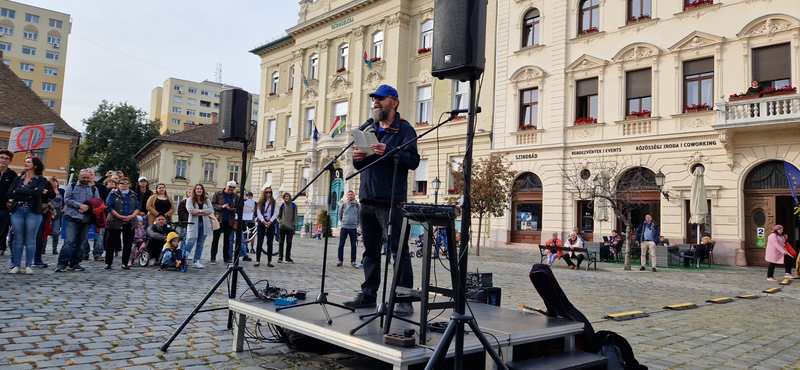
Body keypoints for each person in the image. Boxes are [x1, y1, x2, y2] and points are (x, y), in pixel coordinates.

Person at [343, 84, 420, 317]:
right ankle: (368, 295)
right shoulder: (371, 128)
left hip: (391, 200)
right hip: (367, 197)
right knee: (370, 251)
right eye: (374, 99)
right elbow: (365, 163)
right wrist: (358, 160)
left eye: (380, 99)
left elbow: (413, 161)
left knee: (399, 251)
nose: (376, 102)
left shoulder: (404, 129)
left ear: (393, 103)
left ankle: (404, 298)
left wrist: (389, 150)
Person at [7, 157, 49, 275]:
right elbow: (9, 193)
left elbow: (37, 193)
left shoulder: (41, 180)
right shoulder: (17, 179)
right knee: (17, 239)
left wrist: (18, 192)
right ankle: (16, 265)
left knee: (31, 240)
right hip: (17, 210)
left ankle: (28, 265)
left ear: (35, 166)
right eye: (25, 161)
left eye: (28, 162)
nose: (25, 163)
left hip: (33, 211)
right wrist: (27, 195)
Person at [55, 169, 102, 272]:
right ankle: (62, 263)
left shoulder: (94, 189)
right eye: (83, 177)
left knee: (81, 242)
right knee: (69, 241)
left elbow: (97, 202)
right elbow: (67, 199)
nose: (86, 179)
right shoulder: (71, 186)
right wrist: (79, 205)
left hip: (86, 219)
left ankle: (75, 263)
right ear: (79, 177)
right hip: (72, 217)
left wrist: (87, 207)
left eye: (87, 178)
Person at [105, 177, 140, 269]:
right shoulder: (113, 193)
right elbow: (109, 206)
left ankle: (125, 262)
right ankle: (108, 262)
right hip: (115, 220)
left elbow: (137, 207)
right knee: (112, 242)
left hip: (130, 221)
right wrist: (119, 216)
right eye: (122, 183)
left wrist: (132, 216)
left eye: (127, 183)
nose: (125, 185)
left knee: (128, 243)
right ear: (118, 185)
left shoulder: (133, 194)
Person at [210, 180, 239, 264]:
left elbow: (239, 208)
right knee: (215, 239)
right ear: (226, 186)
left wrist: (232, 209)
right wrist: (221, 206)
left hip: (229, 220)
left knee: (227, 240)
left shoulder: (235, 197)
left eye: (232, 189)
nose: (230, 190)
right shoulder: (218, 194)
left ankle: (226, 257)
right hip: (219, 219)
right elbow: (213, 205)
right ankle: (213, 257)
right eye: (229, 188)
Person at [185, 184, 212, 269]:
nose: (199, 190)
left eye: (200, 189)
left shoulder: (206, 200)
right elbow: (191, 211)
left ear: (203, 190)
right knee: (191, 242)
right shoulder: (190, 200)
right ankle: (183, 258)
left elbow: (210, 210)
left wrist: (199, 211)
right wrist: (204, 211)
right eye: (197, 189)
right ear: (194, 190)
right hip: (194, 223)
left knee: (200, 243)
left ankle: (196, 260)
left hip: (204, 224)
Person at [32, 174, 56, 268]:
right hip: (24, 208)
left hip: (41, 209)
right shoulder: (21, 179)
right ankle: (16, 261)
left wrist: (45, 192)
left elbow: (52, 194)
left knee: (39, 235)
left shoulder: (44, 181)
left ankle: (37, 259)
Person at [0, 149, 17, 257]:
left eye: (6, 159)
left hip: (4, 206)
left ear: (10, 161)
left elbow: (15, 190)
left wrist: (12, 201)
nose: (3, 160)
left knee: (3, 227)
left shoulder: (12, 175)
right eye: (1, 157)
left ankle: (1, 246)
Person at [255, 186, 277, 267]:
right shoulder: (261, 202)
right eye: (267, 192)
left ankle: (269, 260)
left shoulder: (274, 202)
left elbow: (275, 213)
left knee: (270, 243)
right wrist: (263, 221)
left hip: (270, 223)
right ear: (264, 193)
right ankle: (257, 260)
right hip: (262, 223)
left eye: (270, 192)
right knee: (260, 242)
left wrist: (270, 222)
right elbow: (258, 212)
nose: (268, 194)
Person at [337, 190, 361, 267]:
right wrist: (343, 221)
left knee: (353, 245)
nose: (350, 196)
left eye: (351, 194)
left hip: (353, 227)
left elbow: (359, 215)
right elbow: (340, 214)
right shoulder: (343, 204)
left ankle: (353, 261)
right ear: (347, 196)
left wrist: (357, 224)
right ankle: (340, 260)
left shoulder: (357, 205)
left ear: (354, 196)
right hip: (344, 226)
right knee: (341, 244)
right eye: (349, 194)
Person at [276, 192, 297, 263]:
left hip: (290, 227)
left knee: (289, 242)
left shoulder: (294, 205)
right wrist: (280, 222)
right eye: (285, 197)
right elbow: (278, 216)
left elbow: (295, 217)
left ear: (289, 197)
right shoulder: (282, 205)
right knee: (281, 242)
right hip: (282, 226)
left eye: (287, 196)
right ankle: (280, 257)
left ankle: (287, 257)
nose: (286, 198)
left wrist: (293, 224)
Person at [48, 177, 64, 255]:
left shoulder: (61, 191)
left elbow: (65, 200)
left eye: (54, 181)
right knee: (46, 230)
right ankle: (43, 248)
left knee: (56, 231)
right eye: (51, 182)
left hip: (58, 213)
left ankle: (54, 247)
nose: (53, 183)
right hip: (49, 212)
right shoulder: (48, 191)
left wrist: (64, 208)